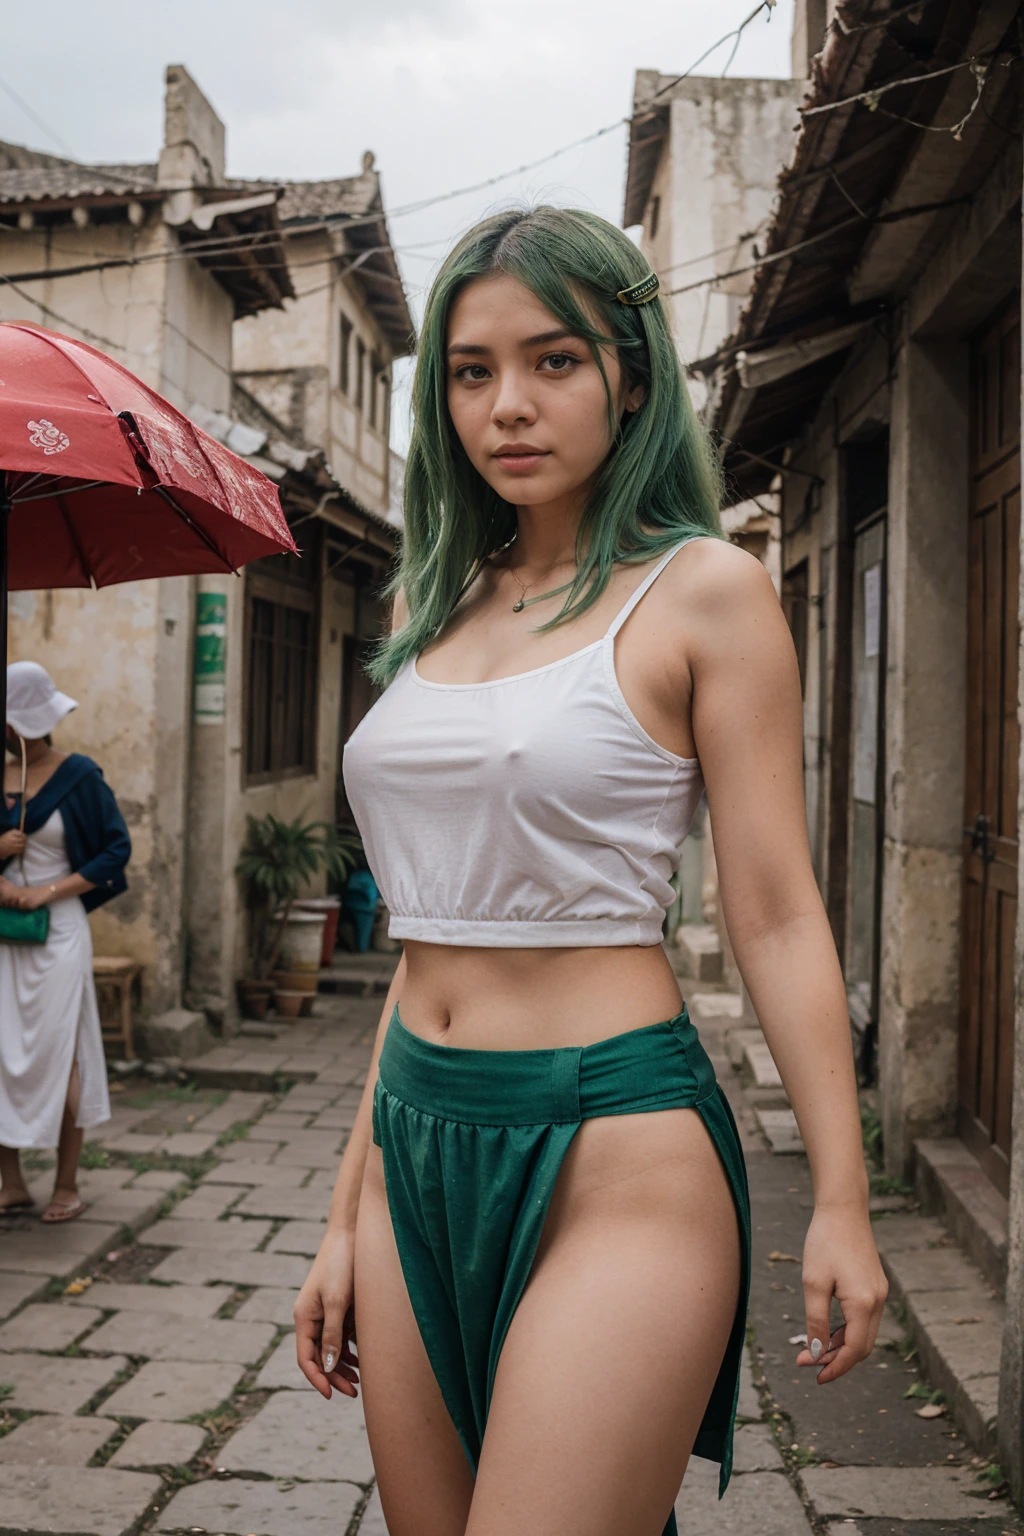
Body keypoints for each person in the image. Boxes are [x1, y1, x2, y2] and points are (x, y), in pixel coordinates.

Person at [294, 206, 887, 1536]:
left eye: (553, 361)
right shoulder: (429, 603)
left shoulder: (704, 592)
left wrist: (842, 1201)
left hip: (616, 1150)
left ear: (628, 374)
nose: (508, 404)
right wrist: (344, 1214)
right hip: (410, 1145)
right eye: (470, 369)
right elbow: (428, 947)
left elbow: (781, 913)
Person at [0, 661, 131, 1223]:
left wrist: (47, 891)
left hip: (59, 935)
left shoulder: (79, 776)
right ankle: (11, 1183)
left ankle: (66, 1184)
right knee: (3, 1055)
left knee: (62, 1054)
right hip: (4, 936)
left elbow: (114, 852)